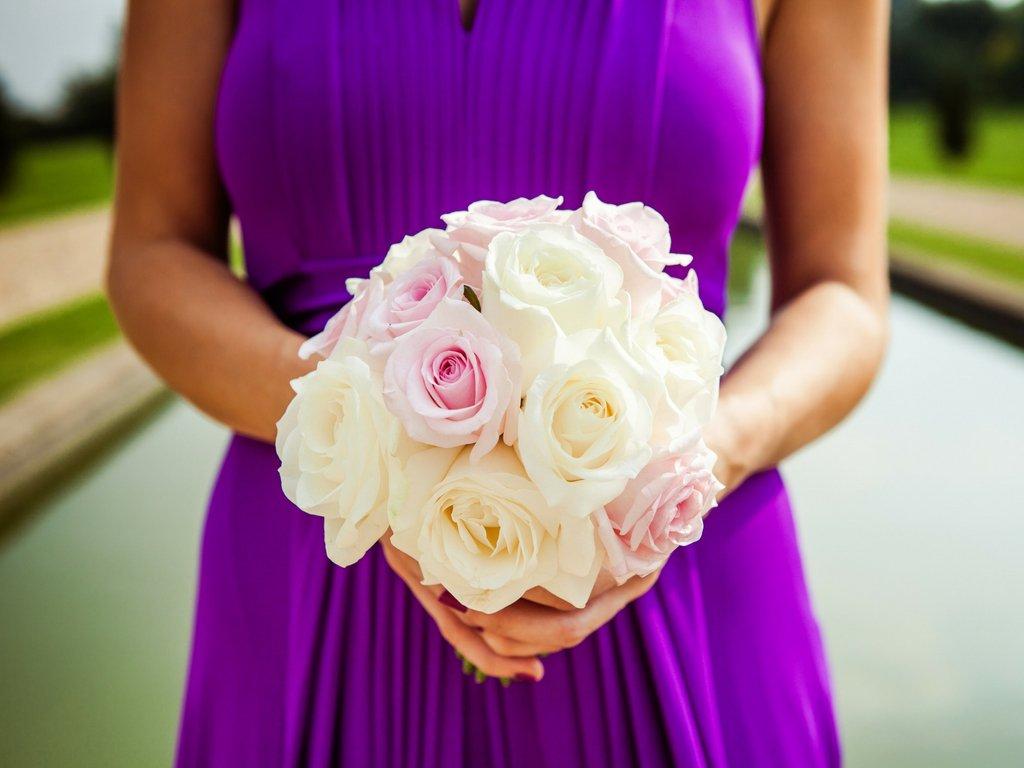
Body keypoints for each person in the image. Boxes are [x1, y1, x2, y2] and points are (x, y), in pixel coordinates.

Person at [108, 1, 889, 765]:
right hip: (311, 560)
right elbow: (154, 252)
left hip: (684, 572)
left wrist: (673, 474)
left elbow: (843, 294)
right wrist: (383, 445)